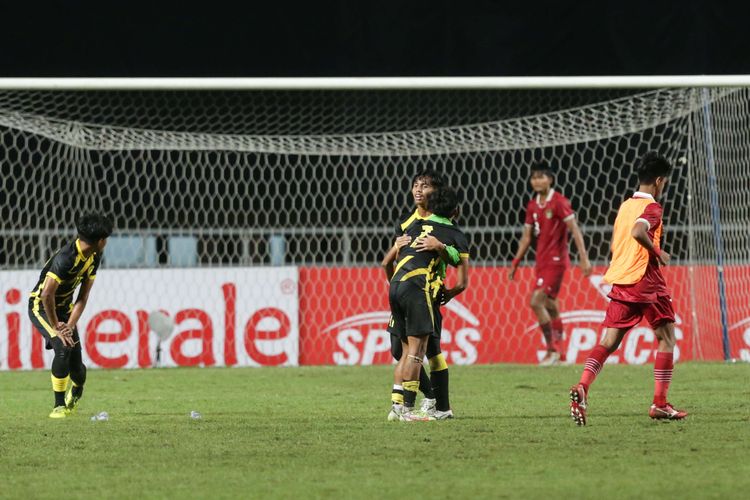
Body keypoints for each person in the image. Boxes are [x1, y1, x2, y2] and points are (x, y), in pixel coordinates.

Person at [569, 153, 687, 426]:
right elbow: (637, 232)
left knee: (608, 343)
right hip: (646, 280)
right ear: (658, 181)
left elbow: (619, 242)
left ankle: (583, 385)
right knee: (667, 338)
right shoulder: (653, 208)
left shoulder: (624, 206)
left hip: (622, 281)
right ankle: (660, 404)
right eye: (664, 182)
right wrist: (658, 252)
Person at [387, 186, 469, 421]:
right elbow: (462, 279)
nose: (419, 190)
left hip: (402, 287)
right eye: (417, 185)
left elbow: (388, 261)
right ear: (457, 210)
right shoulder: (451, 233)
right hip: (418, 291)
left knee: (425, 351)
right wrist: (442, 249)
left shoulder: (413, 227)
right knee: (413, 352)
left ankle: (435, 405)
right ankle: (410, 408)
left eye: (425, 186)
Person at [29, 213, 113, 418]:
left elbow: (83, 296)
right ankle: (58, 406)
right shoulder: (67, 257)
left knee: (78, 371)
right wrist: (57, 326)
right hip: (41, 307)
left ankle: (76, 391)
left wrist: (71, 324)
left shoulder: (94, 256)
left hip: (65, 311)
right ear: (101, 241)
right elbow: (47, 294)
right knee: (62, 346)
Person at [508, 162, 592, 365]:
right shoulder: (532, 205)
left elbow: (575, 230)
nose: (537, 181)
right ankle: (561, 355)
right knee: (551, 306)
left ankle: (551, 350)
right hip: (541, 262)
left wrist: (584, 258)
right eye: (534, 177)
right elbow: (527, 237)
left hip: (556, 261)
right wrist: (516, 261)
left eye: (541, 177)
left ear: (550, 179)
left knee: (536, 301)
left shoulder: (559, 201)